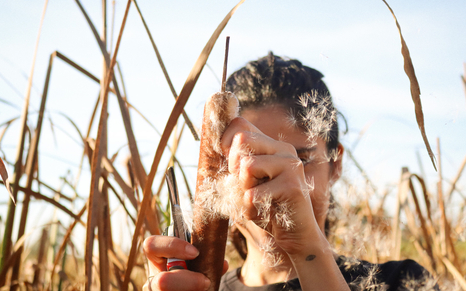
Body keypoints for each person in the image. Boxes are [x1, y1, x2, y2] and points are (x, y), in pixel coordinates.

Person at [143, 52, 437, 291]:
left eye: (301, 160)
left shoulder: (402, 282)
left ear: (335, 165)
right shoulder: (197, 287)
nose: (278, 177)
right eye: (250, 159)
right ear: (220, 177)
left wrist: (308, 251)